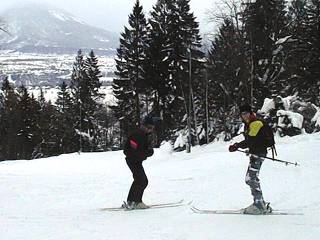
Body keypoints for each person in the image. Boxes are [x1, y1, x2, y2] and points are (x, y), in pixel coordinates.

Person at [228, 104, 272, 214]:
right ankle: (260, 203)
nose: (244, 116)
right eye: (242, 114)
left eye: (246, 113)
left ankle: (259, 205)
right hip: (256, 153)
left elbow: (250, 140)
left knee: (251, 178)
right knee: (252, 178)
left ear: (250, 113)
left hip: (259, 154)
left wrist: (237, 145)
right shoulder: (250, 123)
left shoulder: (255, 123)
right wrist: (250, 149)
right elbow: (254, 140)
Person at [123, 115, 158, 209]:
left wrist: (148, 151)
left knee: (140, 180)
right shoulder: (137, 135)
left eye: (152, 128)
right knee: (142, 180)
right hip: (132, 160)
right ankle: (136, 201)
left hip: (136, 160)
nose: (150, 130)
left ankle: (131, 201)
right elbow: (134, 150)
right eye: (149, 127)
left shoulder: (143, 135)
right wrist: (147, 153)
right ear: (144, 126)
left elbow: (142, 149)